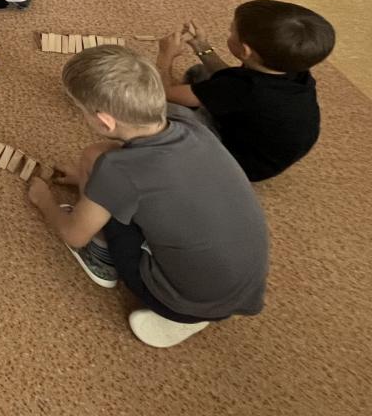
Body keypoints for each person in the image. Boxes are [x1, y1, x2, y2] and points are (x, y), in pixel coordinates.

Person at [26, 46, 269, 349]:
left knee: (100, 168)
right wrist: (88, 181)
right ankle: (191, 300)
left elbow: (73, 235)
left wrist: (45, 201)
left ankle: (101, 259)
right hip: (243, 287)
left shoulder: (117, 170)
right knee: (98, 159)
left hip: (182, 301)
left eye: (82, 110)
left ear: (105, 121)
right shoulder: (188, 121)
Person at [158, 0, 334, 181]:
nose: (229, 32)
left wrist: (165, 56)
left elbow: (164, 92)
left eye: (231, 31)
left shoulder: (245, 89)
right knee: (200, 73)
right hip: (261, 148)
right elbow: (232, 80)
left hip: (236, 164)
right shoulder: (292, 70)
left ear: (245, 50)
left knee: (167, 109)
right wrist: (201, 46)